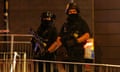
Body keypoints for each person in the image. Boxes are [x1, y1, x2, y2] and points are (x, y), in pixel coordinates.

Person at [47, 2, 91, 72]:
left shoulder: (81, 22)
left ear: (77, 11)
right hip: (66, 55)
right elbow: (59, 39)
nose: (72, 13)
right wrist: (48, 51)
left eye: (74, 11)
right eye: (70, 11)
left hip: (78, 54)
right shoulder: (65, 25)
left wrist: (75, 41)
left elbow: (87, 35)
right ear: (67, 12)